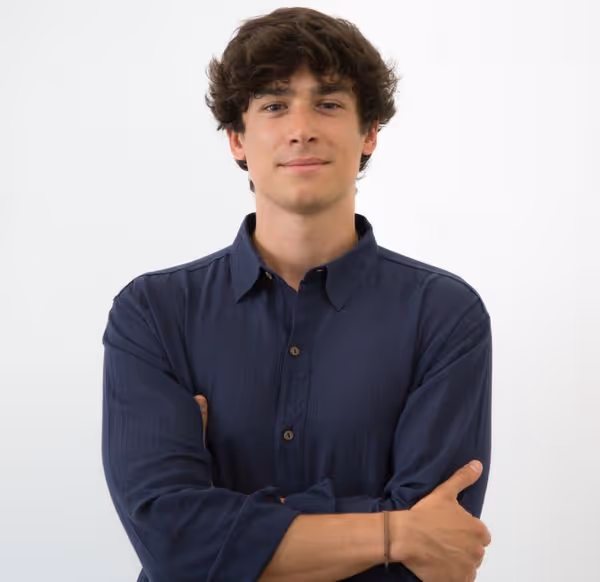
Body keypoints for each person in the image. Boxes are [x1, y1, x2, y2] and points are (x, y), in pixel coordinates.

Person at [101, 7, 492, 582]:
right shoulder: (153, 314)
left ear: (369, 132)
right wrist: (394, 531)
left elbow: (435, 554)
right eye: (274, 105)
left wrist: (229, 527)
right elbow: (171, 543)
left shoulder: (443, 315)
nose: (301, 128)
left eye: (328, 103)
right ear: (237, 138)